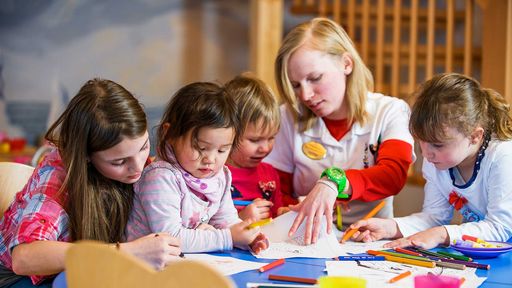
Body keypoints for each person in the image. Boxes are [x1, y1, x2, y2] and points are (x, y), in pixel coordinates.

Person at [0, 79, 181, 287]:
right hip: (21, 280)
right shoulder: (58, 179)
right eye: (119, 162)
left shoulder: (135, 165)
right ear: (86, 156)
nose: (139, 167)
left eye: (143, 147)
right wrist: (129, 252)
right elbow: (24, 258)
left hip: (85, 270)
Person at [265, 17, 415, 245]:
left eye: (315, 78)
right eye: (295, 85)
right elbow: (277, 186)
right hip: (305, 243)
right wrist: (286, 208)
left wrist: (334, 183)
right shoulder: (287, 116)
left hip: (370, 241)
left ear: (347, 64)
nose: (305, 95)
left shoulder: (391, 111)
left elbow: (393, 175)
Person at [348, 73, 512, 249]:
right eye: (421, 142)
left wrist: (441, 233)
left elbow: (501, 227)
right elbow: (434, 217)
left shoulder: (502, 156)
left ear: (474, 136)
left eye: (437, 145)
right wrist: (390, 227)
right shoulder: (438, 160)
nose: (426, 154)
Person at [125, 82, 268, 254]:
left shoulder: (219, 176)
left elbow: (226, 220)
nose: (210, 159)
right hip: (144, 268)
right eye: (200, 148)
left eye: (222, 150)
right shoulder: (160, 177)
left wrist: (246, 236)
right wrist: (228, 238)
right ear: (169, 135)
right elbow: (169, 238)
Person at [225, 73, 287, 221]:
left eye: (271, 137)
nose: (265, 148)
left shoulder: (270, 174)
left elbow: (276, 213)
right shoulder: (213, 174)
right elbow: (205, 225)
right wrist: (240, 219)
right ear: (228, 132)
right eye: (255, 140)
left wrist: (284, 215)